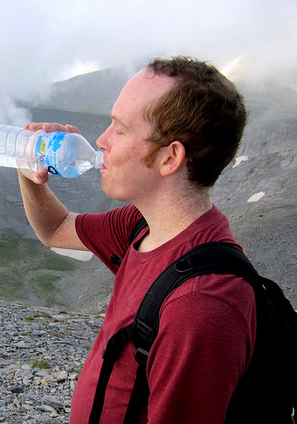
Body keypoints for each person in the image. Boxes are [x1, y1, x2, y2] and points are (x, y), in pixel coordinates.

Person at [17, 56, 254, 423]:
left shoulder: (200, 306)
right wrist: (30, 175)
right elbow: (57, 228)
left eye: (120, 129)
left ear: (169, 157)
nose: (100, 141)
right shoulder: (141, 226)